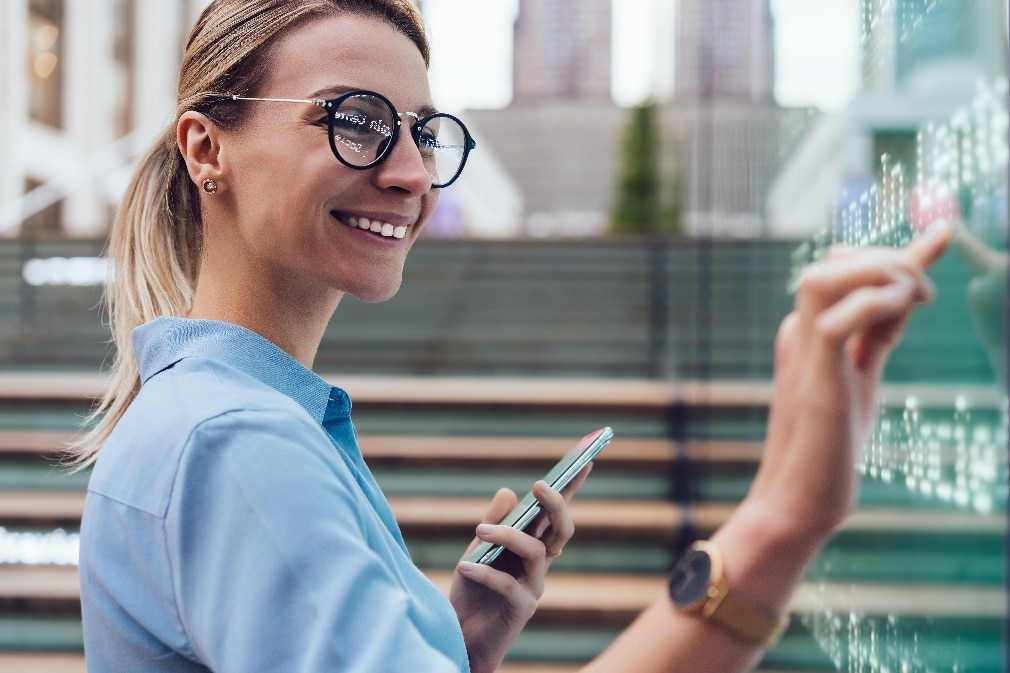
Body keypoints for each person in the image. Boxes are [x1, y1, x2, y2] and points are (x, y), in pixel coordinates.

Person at [71, 1, 952, 672]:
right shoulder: (234, 442)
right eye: (356, 122)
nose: (412, 173)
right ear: (205, 148)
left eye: (422, 130)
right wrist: (782, 520)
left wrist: (452, 643)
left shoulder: (229, 416)